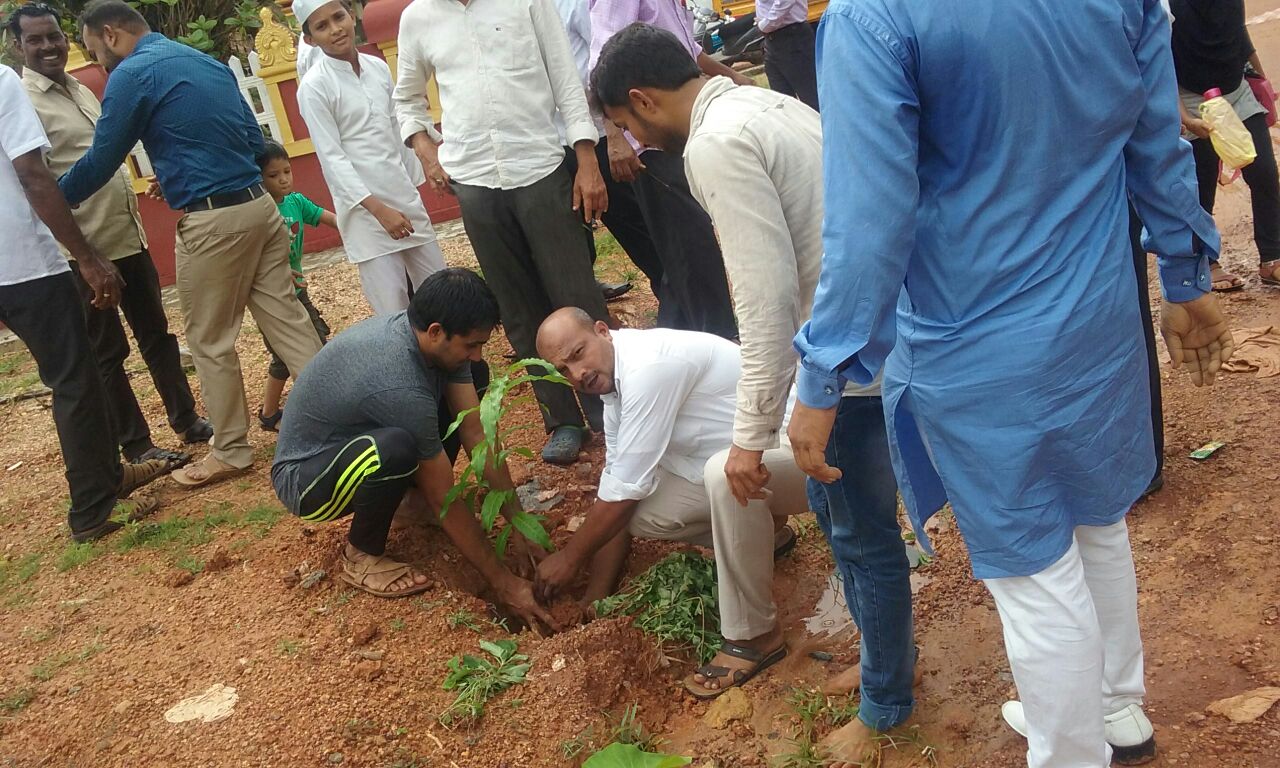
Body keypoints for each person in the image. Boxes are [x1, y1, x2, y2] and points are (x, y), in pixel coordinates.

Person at [787, 2, 1235, 767]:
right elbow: (1155, 138)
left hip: (980, 342)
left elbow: (869, 221)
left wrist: (824, 373)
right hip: (1097, 316)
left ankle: (1072, 751)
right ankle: (1116, 710)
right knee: (1096, 520)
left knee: (1034, 573)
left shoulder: (876, 18)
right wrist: (1185, 276)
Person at [590, 20, 913, 743]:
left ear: (640, 101)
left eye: (623, 126)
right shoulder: (765, 104)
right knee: (842, 520)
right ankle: (882, 664)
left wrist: (746, 439)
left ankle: (886, 709)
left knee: (861, 535)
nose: (633, 144)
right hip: (869, 334)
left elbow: (762, 299)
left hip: (852, 358)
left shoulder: (715, 145)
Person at [59, 0, 323, 488]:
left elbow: (102, 158)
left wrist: (51, 202)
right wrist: (189, 168)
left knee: (210, 339)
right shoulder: (201, 61)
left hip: (213, 223)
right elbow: (251, 139)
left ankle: (232, 450)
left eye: (96, 51)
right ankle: (337, 418)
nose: (100, 63)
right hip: (258, 208)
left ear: (111, 33)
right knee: (288, 321)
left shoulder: (132, 74)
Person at [534, 310, 807, 697]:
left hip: (803, 453)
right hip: (753, 464)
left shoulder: (650, 367)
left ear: (602, 331)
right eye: (564, 369)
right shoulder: (614, 386)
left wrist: (569, 559)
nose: (577, 373)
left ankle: (756, 636)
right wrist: (594, 597)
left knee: (720, 475)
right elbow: (618, 488)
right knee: (647, 512)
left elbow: (623, 490)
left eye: (578, 353)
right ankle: (766, 536)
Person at [393, 0, 613, 465]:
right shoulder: (417, 17)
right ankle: (562, 420)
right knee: (517, 309)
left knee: (576, 295)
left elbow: (565, 81)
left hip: (541, 166)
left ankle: (608, 409)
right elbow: (407, 99)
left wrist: (587, 159)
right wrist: (426, 150)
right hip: (473, 179)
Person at [271, 268, 555, 627]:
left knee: (471, 380)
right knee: (396, 447)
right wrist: (504, 583)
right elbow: (444, 498)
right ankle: (361, 554)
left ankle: (406, 503)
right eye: (471, 344)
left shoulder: (432, 345)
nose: (479, 354)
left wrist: (520, 524)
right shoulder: (398, 381)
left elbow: (474, 433)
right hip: (307, 476)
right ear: (436, 331)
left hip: (358, 439)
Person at [13, 2, 212, 470]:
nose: (48, 47)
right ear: (17, 46)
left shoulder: (82, 86)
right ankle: (137, 445)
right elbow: (36, 179)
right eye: (36, 40)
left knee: (157, 336)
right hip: (82, 249)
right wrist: (83, 255)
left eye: (54, 37)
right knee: (108, 352)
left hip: (126, 233)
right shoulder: (23, 102)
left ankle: (186, 419)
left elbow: (111, 146)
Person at [1, 65, 171, 542]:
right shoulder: (3, 82)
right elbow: (33, 175)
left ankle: (109, 476)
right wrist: (86, 255)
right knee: (75, 380)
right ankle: (92, 512)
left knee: (80, 375)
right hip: (26, 263)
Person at [589, 0, 739, 340]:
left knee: (687, 255)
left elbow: (689, 55)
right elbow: (601, 65)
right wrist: (617, 135)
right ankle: (718, 342)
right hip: (654, 142)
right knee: (691, 252)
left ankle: (688, 344)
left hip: (684, 131)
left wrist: (733, 78)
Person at [293, 0, 447, 317]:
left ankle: (457, 368)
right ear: (310, 39)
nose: (335, 29)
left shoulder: (376, 67)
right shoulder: (314, 87)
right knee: (394, 311)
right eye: (322, 26)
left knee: (441, 295)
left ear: (352, 15)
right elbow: (331, 159)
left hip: (404, 200)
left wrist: (424, 176)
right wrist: (378, 210)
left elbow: (397, 128)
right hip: (366, 216)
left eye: (338, 17)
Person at [1170, 0, 1280, 292]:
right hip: (1190, 96)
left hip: (1236, 90)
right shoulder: (1168, 6)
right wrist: (1183, 117)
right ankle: (1207, 262)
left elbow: (1240, 34)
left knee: (1265, 172)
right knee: (1202, 182)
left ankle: (1272, 258)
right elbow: (1160, 63)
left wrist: (1262, 82)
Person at [552, 0, 657, 303]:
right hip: (557, 144)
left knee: (639, 232)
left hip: (598, 136)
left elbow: (604, 65)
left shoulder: (574, 5)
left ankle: (676, 298)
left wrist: (614, 134)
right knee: (576, 238)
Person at [255, 140, 337, 432]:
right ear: (258, 179)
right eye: (273, 175)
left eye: (287, 171)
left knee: (309, 343)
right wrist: (279, 271)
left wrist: (357, 228)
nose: (283, 179)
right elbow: (253, 255)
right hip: (272, 296)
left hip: (298, 292)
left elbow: (328, 218)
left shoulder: (296, 202)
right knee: (294, 351)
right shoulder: (258, 212)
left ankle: (269, 413)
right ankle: (320, 406)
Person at [756, 0, 817, 110]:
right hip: (773, 39)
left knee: (811, 99)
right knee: (783, 103)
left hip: (792, 37)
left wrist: (765, 24)